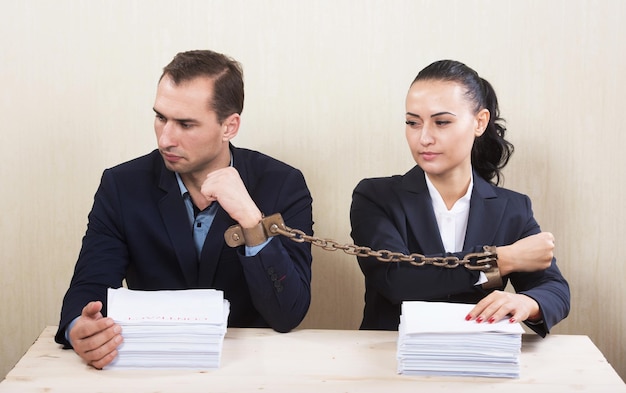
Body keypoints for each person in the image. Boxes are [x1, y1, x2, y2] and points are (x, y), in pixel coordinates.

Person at [55, 50, 314, 368]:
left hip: (249, 369)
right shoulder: (122, 185)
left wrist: (251, 220)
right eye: (161, 117)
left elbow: (288, 313)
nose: (165, 139)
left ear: (229, 127)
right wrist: (78, 328)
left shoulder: (283, 184)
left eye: (185, 124)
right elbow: (88, 286)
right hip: (151, 366)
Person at [350, 59, 570, 336]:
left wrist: (527, 302)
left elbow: (555, 290)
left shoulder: (512, 208)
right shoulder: (376, 196)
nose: (424, 138)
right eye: (412, 123)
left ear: (480, 122)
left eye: (441, 122)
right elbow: (397, 279)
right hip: (390, 358)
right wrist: (500, 260)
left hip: (480, 359)